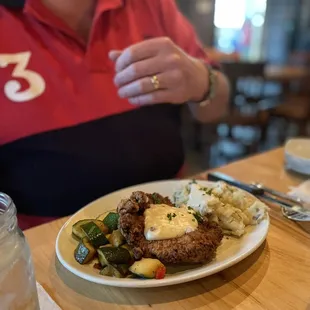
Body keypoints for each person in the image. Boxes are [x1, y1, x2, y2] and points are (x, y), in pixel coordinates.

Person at [0, 0, 229, 229]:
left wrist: (202, 81)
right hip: (45, 244)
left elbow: (218, 104)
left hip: (176, 216)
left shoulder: (153, 5)